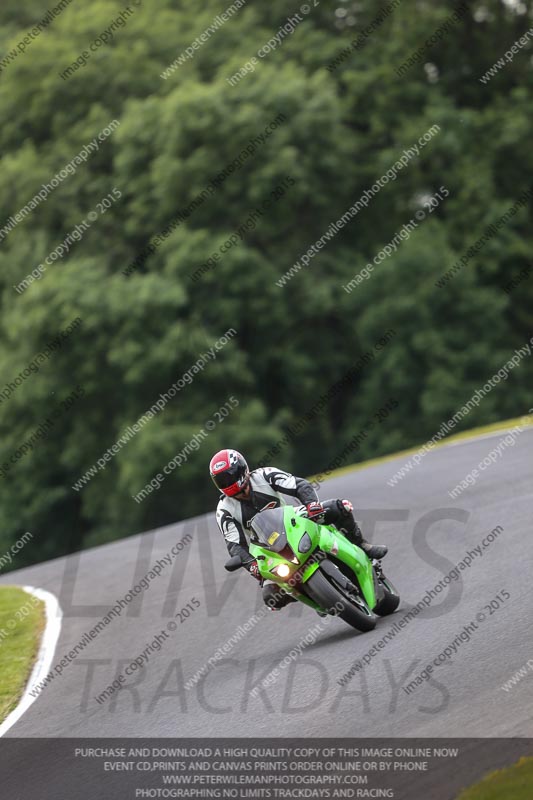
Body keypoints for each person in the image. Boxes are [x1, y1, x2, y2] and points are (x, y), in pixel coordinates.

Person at [210, 448, 388, 610]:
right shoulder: (224, 509)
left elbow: (299, 485)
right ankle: (304, 593)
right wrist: (251, 565)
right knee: (271, 597)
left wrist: (312, 505)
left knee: (339, 507)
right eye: (222, 480)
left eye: (229, 476)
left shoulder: (265, 475)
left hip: (293, 520)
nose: (228, 482)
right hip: (266, 547)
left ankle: (363, 545)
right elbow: (234, 544)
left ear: (241, 469)